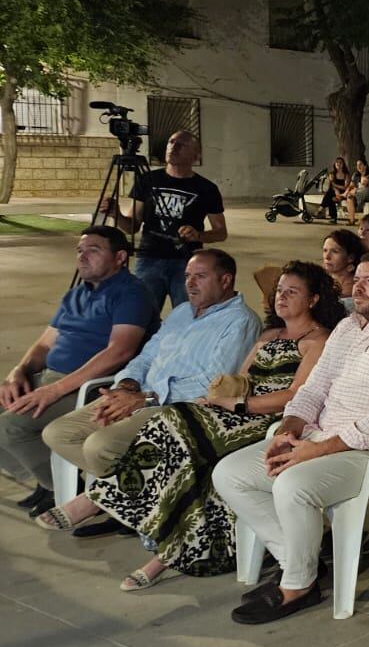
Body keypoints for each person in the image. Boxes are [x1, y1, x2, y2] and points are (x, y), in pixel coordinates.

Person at [70, 262, 342, 589]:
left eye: (291, 292)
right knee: (183, 448)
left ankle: (103, 500)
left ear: (313, 299)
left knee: (177, 422)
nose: (281, 297)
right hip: (235, 412)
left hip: (271, 421)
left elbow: (297, 396)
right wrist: (216, 397)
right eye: (279, 291)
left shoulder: (319, 341)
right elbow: (238, 380)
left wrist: (240, 405)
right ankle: (168, 550)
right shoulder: (269, 335)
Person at [212, 252, 369, 625]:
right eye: (358, 278)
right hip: (318, 438)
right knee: (230, 473)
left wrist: (318, 450)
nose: (358, 287)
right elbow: (313, 387)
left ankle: (298, 585)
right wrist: (290, 428)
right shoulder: (349, 327)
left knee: (292, 485)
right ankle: (297, 561)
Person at [35, 250, 261, 503]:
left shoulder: (241, 322)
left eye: (200, 276)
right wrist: (127, 385)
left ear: (226, 280)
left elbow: (212, 384)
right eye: (187, 276)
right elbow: (145, 357)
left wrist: (146, 399)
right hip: (137, 396)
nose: (190, 283)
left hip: (176, 408)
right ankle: (127, 501)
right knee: (58, 433)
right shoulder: (182, 312)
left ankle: (107, 502)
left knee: (99, 447)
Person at [1, 227, 156, 512]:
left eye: (93, 250)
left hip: (90, 387)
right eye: (80, 251)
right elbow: (45, 345)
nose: (83, 257)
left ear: (120, 256)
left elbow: (119, 351)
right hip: (50, 379)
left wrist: (54, 390)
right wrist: (18, 372)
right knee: (5, 407)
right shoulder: (75, 294)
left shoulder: (132, 293)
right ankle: (45, 479)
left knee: (10, 427)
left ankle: (65, 490)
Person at [98, 129, 227, 313]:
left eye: (181, 144)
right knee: (141, 315)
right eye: (171, 142)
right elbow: (132, 226)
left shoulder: (206, 188)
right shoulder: (148, 180)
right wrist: (116, 214)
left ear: (196, 156)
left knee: (189, 315)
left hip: (185, 262)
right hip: (149, 258)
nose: (174, 147)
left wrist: (198, 235)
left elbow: (221, 232)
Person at [321, 228, 363, 302]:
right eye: (325, 250)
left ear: (350, 258)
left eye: (335, 251)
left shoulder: (355, 289)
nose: (327, 257)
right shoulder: (321, 280)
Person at [342, 158, 369, 224]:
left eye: (360, 164)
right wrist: (346, 193)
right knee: (349, 197)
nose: (358, 167)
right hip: (357, 195)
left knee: (364, 191)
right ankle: (352, 220)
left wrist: (360, 188)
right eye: (357, 165)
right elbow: (351, 186)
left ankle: (358, 209)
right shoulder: (355, 175)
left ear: (365, 166)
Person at [322, 156, 351, 223]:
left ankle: (322, 208)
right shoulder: (332, 174)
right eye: (337, 162)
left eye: (340, 163)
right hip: (333, 192)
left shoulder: (346, 175)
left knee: (330, 195)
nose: (338, 164)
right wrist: (336, 190)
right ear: (335, 164)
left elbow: (345, 187)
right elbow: (331, 185)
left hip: (343, 193)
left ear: (343, 164)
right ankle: (333, 218)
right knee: (331, 196)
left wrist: (335, 185)